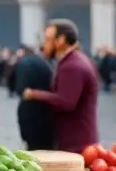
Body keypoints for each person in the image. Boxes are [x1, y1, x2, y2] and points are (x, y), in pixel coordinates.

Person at [22, 19, 99, 153]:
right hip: (79, 140)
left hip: (76, 143)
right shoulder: (76, 59)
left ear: (61, 40)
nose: (43, 45)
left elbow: (66, 102)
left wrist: (33, 94)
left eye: (47, 40)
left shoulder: (71, 65)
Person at [13, 45, 55, 151]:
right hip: (46, 114)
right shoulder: (46, 64)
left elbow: (20, 89)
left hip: (29, 113)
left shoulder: (24, 63)